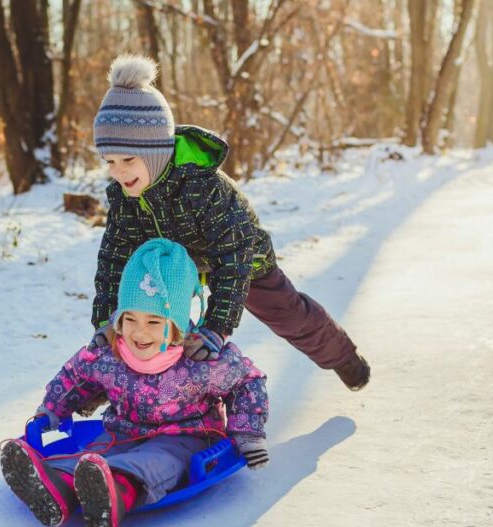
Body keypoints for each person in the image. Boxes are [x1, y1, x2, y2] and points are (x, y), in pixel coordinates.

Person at [89, 54, 370, 390]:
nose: (118, 171)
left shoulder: (201, 186)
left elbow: (234, 255)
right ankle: (150, 399)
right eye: (110, 161)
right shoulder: (124, 197)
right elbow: (115, 259)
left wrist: (216, 327)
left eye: (128, 160)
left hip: (241, 256)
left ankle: (343, 357)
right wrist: (108, 319)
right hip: (175, 263)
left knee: (286, 313)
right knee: (146, 324)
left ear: (155, 152)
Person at [0, 238, 268, 527]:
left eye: (154, 321)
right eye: (130, 319)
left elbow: (247, 381)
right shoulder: (111, 353)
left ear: (176, 325)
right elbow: (76, 376)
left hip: (185, 437)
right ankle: (56, 487)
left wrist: (247, 432)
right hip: (122, 431)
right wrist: (51, 410)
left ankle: (114, 493)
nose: (140, 332)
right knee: (91, 457)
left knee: (154, 461)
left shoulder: (201, 361)